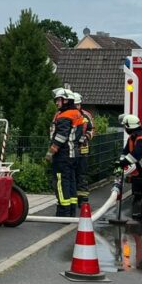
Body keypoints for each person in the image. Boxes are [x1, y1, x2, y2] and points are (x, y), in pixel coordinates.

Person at [45, 88, 82, 217]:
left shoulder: (65, 115)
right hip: (73, 154)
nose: (57, 103)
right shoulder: (76, 113)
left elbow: (61, 136)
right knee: (71, 181)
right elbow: (79, 135)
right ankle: (71, 210)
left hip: (63, 155)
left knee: (61, 183)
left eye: (58, 100)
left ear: (66, 100)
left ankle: (63, 212)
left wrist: (51, 151)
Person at [72, 92, 97, 208]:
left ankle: (83, 199)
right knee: (71, 174)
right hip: (70, 149)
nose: (77, 107)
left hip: (83, 149)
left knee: (82, 174)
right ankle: (72, 198)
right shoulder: (67, 115)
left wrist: (86, 136)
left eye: (78, 105)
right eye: (74, 105)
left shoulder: (86, 115)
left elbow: (92, 130)